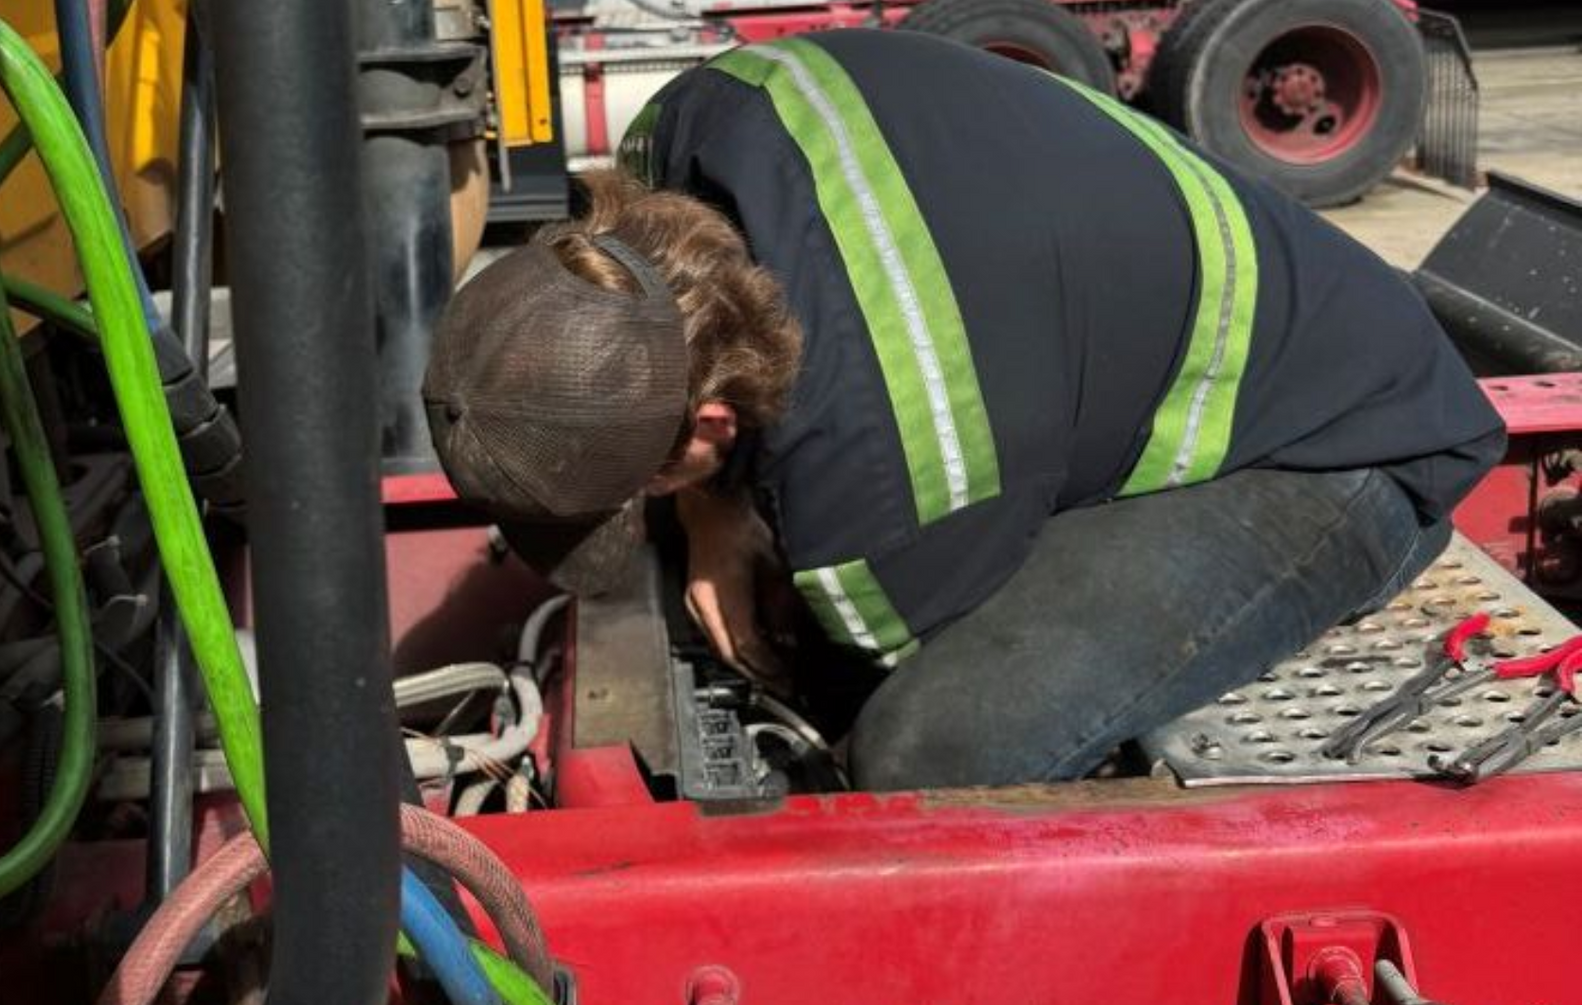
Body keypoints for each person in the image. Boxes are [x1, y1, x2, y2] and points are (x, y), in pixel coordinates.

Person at [421, 29, 1505, 790]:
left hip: (1343, 441)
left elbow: (859, 675)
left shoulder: (883, 501)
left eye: (645, 484)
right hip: (1222, 306)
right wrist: (708, 513)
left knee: (925, 754)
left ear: (709, 426)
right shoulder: (682, 128)